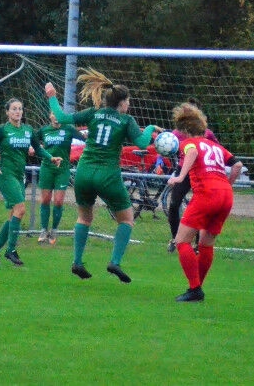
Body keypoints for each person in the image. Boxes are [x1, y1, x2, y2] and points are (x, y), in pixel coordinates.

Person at [45, 68, 162, 282]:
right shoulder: (126, 120)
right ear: (122, 103)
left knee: (84, 217)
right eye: (128, 101)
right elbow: (143, 143)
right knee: (126, 220)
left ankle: (77, 262)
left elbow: (60, 117)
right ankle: (114, 262)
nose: (129, 105)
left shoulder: (93, 113)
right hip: (107, 174)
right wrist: (151, 128)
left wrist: (52, 97)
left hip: (83, 172)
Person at [166, 103, 242, 302]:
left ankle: (195, 288)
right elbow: (238, 165)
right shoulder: (216, 146)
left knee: (182, 241)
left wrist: (180, 177)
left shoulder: (189, 143)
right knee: (206, 243)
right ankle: (196, 288)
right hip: (225, 195)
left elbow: (191, 153)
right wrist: (227, 185)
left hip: (206, 194)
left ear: (184, 130)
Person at [0, 99, 62, 266]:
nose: (17, 111)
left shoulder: (28, 130)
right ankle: (11, 250)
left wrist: (51, 157)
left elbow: (38, 148)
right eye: (14, 109)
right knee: (21, 210)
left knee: (14, 213)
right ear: (7, 112)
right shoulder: (2, 130)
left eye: (20, 109)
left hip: (19, 175)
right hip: (5, 174)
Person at [167, 97, 218, 253]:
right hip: (183, 171)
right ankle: (176, 238)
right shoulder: (176, 133)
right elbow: (169, 146)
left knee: (200, 207)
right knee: (174, 204)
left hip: (201, 173)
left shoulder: (207, 134)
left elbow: (215, 149)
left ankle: (197, 244)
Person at [35, 112, 85, 244]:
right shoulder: (44, 130)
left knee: (58, 201)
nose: (56, 116)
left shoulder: (68, 129)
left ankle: (54, 231)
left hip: (62, 170)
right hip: (47, 168)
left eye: (58, 114)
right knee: (45, 200)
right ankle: (44, 230)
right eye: (54, 114)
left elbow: (85, 139)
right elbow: (32, 141)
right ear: (50, 116)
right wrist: (33, 147)